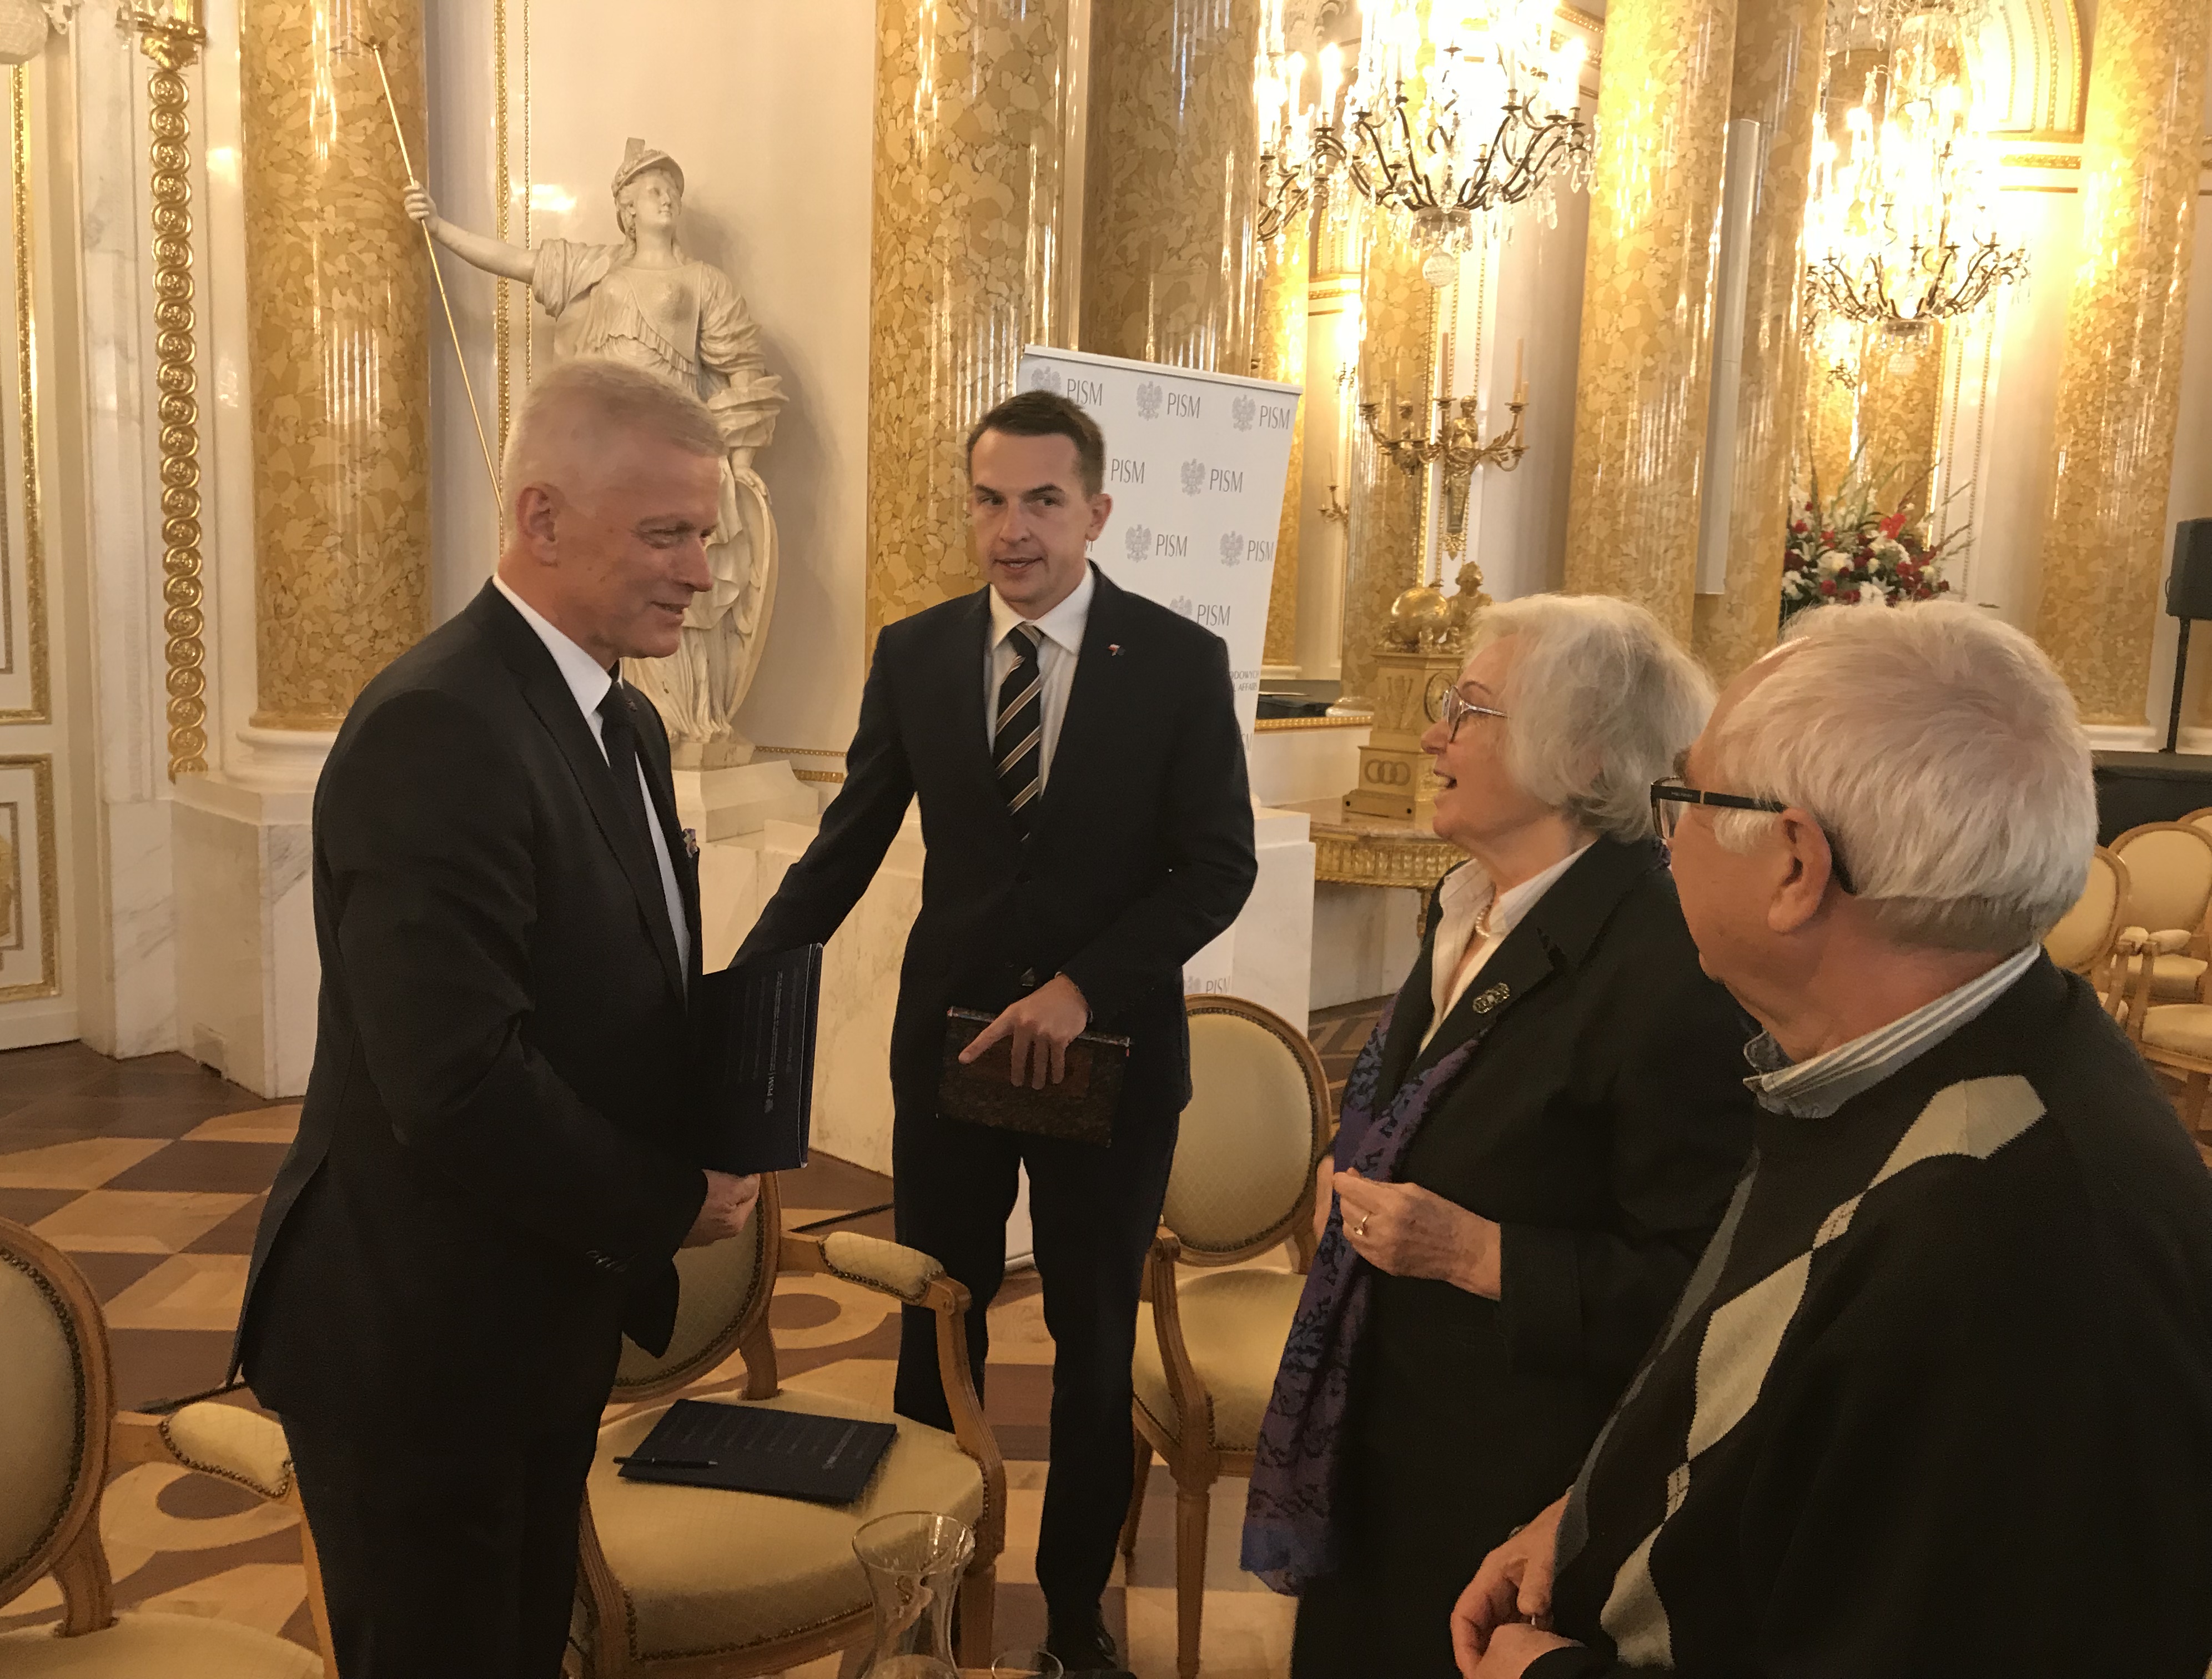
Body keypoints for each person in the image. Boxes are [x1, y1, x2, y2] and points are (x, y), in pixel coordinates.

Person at [1452, 602, 2212, 1679]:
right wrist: (1596, 1513)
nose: (1667, 834)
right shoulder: (1898, 1064)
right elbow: (1796, 1424)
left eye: (1686, 796)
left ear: (1795, 867)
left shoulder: (2006, 1241)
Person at [233, 358, 762, 1679]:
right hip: (419, 1340)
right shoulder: (440, 724)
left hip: (535, 1308)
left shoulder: (619, 720)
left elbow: (616, 985)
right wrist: (668, 1198)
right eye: (667, 534)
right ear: (541, 519)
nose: (702, 574)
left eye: (705, 536)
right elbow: (456, 1080)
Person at [733, 389, 1257, 1676]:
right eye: (989, 500)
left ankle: (1073, 1614)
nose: (1012, 529)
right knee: (936, 1322)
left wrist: (1084, 986)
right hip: (953, 1054)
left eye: (1041, 501)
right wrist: (739, 992)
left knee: (1090, 1340)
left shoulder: (1175, 662)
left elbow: (1216, 866)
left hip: (1108, 1060)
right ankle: (924, 1592)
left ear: (1096, 511)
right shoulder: (917, 654)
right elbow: (847, 843)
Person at [1244, 595, 1757, 1677]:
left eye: (1469, 709)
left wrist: (1478, 1253)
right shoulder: (1466, 901)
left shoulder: (1668, 966)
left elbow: (1706, 1293)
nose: (1433, 734)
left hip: (1504, 1494)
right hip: (1378, 1432)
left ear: (1581, 754)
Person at [406, 138, 786, 766]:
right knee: (610, 577)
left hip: (671, 462)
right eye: (652, 190)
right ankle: (647, 708)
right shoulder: (596, 270)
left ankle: (685, 721)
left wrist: (738, 460)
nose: (666, 199)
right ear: (626, 209)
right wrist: (441, 228)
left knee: (673, 592)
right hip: (605, 467)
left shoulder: (703, 283)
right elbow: (518, 263)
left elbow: (743, 368)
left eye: (672, 190)